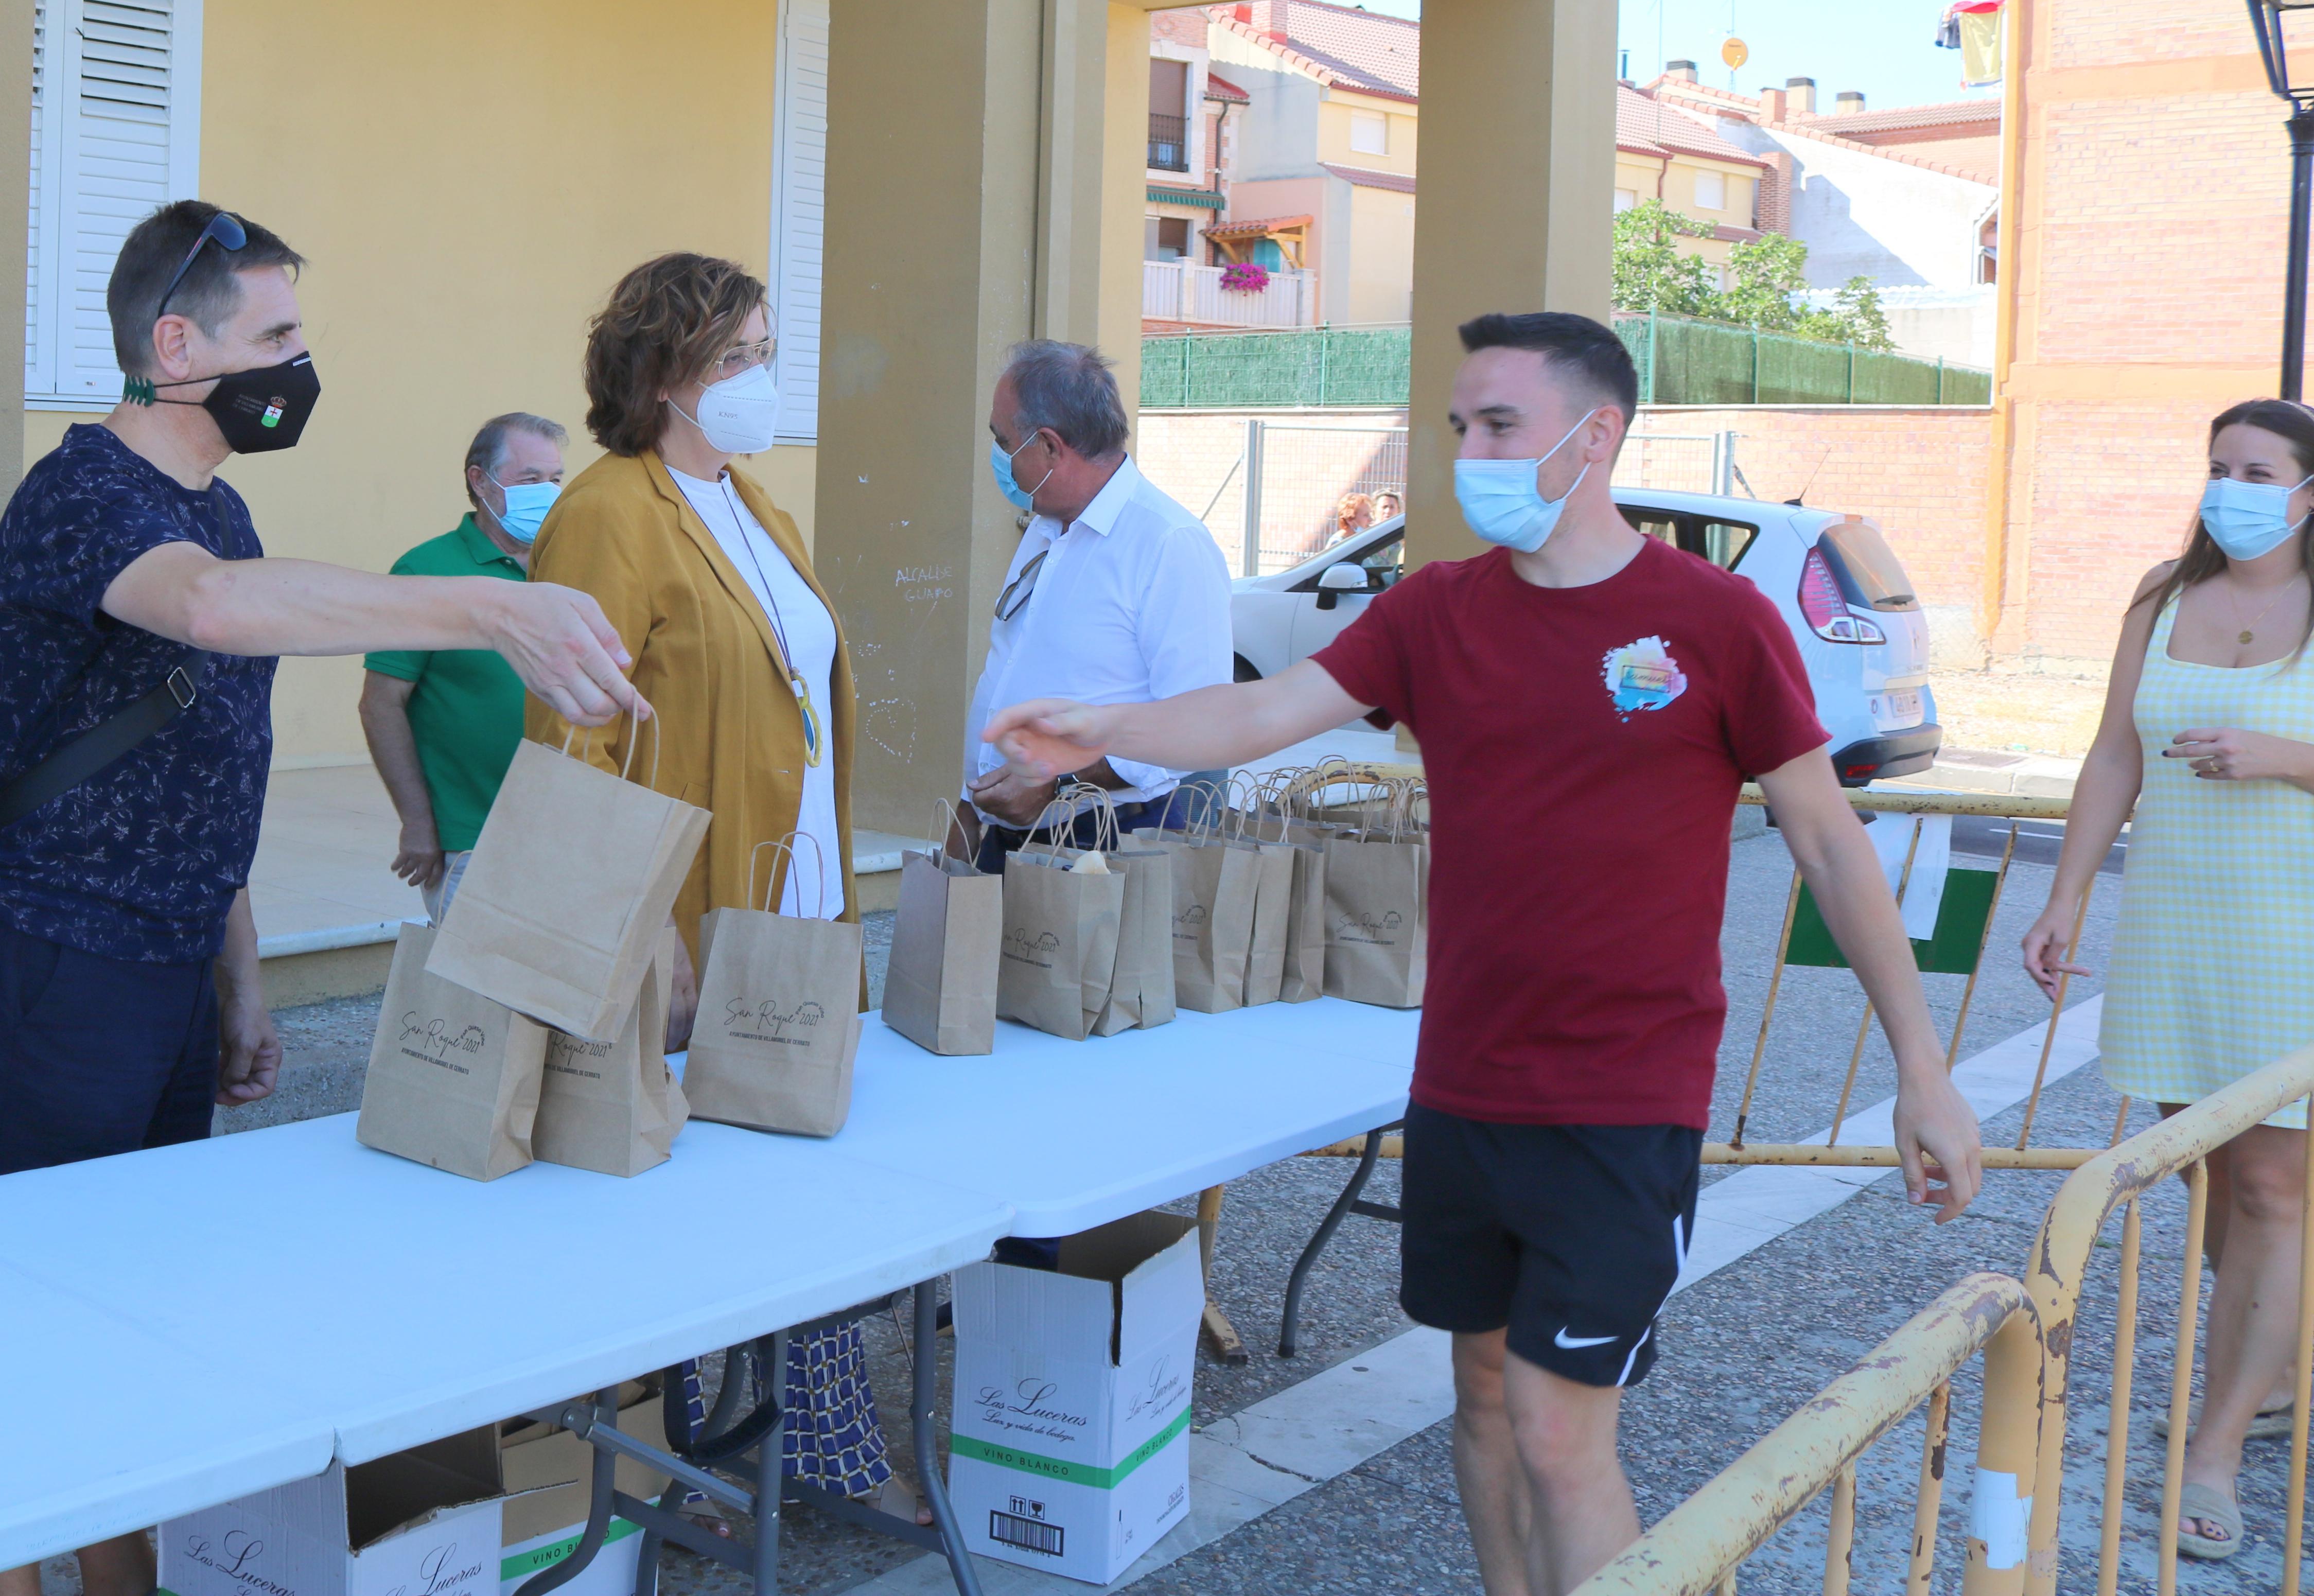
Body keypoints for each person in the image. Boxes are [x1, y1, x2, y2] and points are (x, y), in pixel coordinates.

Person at [987, 310, 1983, 1596]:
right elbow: (1257, 709)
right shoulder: (1436, 611)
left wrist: (1924, 1066)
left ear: (1596, 433)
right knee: (1477, 1398)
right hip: (1462, 1085)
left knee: (1563, 1429)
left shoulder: (1715, 619)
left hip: (1623, 1097)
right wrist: (1101, 726)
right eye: (1461, 425)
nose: (1471, 450)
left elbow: (1833, 845)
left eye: (1499, 424)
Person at [0, 202, 638, 1596]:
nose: (300, 366)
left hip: (167, 963)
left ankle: (119, 1575)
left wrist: (238, 974)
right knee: (21, 1308)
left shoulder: (219, 504)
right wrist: (487, 608)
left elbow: (212, 762)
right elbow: (213, 612)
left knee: (132, 1300)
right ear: (177, 345)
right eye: (279, 338)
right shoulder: (86, 497)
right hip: (51, 962)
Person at [523, 252, 916, 1522]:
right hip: (690, 914)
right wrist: (642, 935)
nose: (763, 378)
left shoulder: (758, 506)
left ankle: (823, 1435)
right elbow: (576, 741)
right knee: (681, 1193)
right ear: (663, 373)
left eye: (763, 350)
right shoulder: (606, 508)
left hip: (792, 900)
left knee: (803, 1175)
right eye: (738, 356)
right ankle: (673, 1464)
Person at [2022, 397, 2314, 1562]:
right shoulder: (2161, 592)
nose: (2229, 486)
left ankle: (2219, 1440)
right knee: (2201, 1173)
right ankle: (2281, 1370)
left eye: (2258, 469)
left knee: (2270, 1189)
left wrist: (2287, 758)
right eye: (2217, 466)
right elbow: (2115, 752)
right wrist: (2065, 893)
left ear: (2308, 490)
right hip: (2175, 929)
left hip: (2296, 933)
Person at [958, 340, 1230, 869]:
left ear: (1052, 448)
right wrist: (969, 824)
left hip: (1107, 845)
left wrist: (1057, 784)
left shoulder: (1169, 544)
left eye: (1003, 440)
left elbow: (1197, 727)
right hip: (1008, 832)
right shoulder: (1047, 526)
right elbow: (1011, 667)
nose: (997, 455)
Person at [360, 412, 568, 915]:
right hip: (472, 841)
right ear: (480, 481)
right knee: (481, 993)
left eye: (556, 480)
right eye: (530, 480)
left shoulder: (569, 564)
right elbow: (381, 704)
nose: (548, 493)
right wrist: (417, 822)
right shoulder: (425, 571)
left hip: (568, 831)